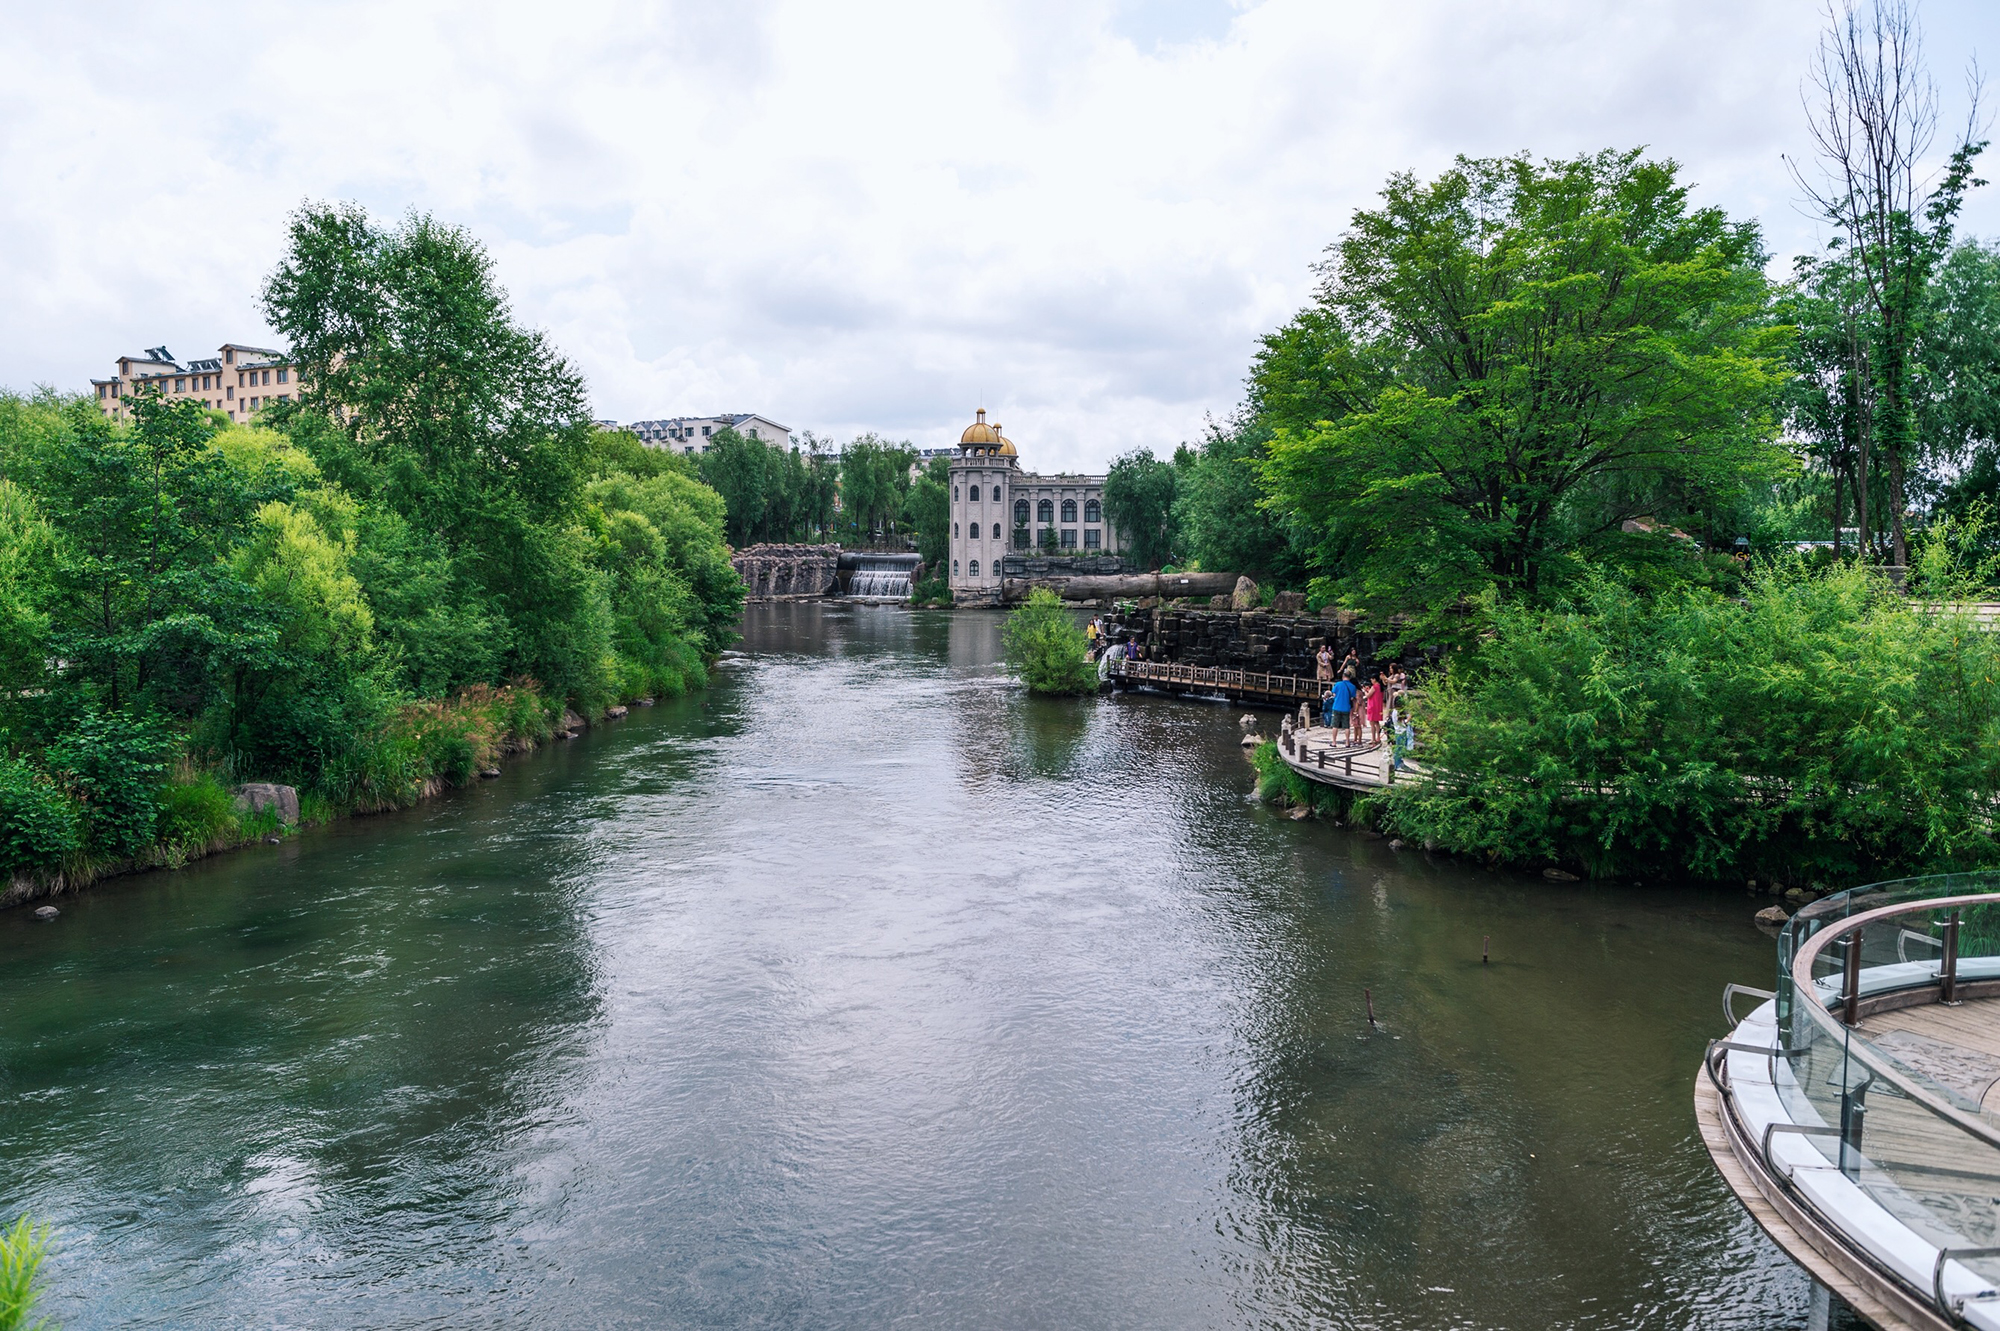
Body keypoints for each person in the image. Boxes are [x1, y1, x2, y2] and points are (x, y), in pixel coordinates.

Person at [1329, 673, 1358, 745]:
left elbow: (1333, 694)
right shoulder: (1353, 686)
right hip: (1346, 708)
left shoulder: (1338, 684)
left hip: (1336, 706)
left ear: (1343, 677)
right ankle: (1347, 742)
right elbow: (1352, 698)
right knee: (1346, 726)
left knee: (1335, 725)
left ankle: (1334, 742)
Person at [1364, 673, 1387, 746]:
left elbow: (1368, 695)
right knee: (1377, 723)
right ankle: (1378, 738)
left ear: (1374, 679)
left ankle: (1373, 739)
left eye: (1372, 679)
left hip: (1372, 706)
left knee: (1372, 723)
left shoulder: (1374, 686)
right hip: (1378, 706)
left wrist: (1365, 691)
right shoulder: (1380, 687)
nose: (1371, 680)